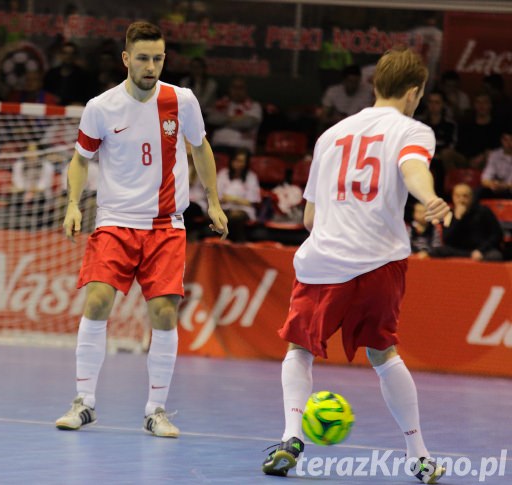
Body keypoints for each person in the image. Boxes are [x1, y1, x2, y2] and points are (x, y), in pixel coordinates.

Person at [261, 47, 449, 484]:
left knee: (299, 349)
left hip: (324, 261)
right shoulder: (414, 129)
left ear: (374, 86)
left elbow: (308, 218)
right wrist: (428, 197)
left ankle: (291, 438)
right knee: (384, 355)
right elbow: (413, 169)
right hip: (381, 261)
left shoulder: (331, 134)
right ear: (414, 92)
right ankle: (418, 455)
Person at [55, 21, 228, 438]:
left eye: (159, 58)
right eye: (144, 58)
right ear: (126, 59)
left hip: (166, 224)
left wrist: (214, 200)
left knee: (165, 313)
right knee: (97, 301)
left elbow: (200, 147)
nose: (152, 66)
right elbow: (81, 160)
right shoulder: (101, 106)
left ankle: (156, 410)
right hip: (115, 221)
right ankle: (84, 403)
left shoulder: (181, 101)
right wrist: (73, 204)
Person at [431, 183, 504, 262]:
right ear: (453, 197)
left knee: (494, 255)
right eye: (458, 196)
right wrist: (457, 219)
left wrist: (481, 250)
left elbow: (497, 234)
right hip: (458, 251)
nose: (461, 199)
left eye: (465, 196)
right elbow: (446, 239)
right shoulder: (449, 214)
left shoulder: (483, 211)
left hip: (480, 250)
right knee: (436, 252)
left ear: (471, 197)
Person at [216, 147, 261, 242]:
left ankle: (238, 243)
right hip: (224, 208)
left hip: (243, 211)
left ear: (246, 163)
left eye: (241, 161)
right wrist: (238, 200)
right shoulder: (223, 174)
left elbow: (250, 202)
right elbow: (218, 197)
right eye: (236, 160)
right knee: (219, 216)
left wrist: (231, 198)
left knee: (235, 216)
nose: (238, 163)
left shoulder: (251, 177)